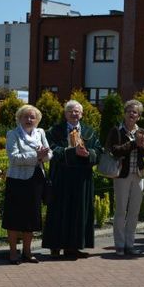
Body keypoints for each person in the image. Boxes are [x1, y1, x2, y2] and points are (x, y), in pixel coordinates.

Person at [42, 100, 102, 259]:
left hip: (82, 179)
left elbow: (98, 150)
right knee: (58, 212)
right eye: (70, 111)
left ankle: (74, 247)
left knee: (79, 212)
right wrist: (73, 152)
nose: (74, 114)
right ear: (65, 114)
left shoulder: (89, 131)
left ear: (81, 114)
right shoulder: (54, 131)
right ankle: (55, 246)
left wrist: (88, 154)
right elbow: (52, 150)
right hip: (61, 177)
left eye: (77, 111)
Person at [3, 104, 52, 264]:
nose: (29, 120)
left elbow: (49, 154)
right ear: (19, 118)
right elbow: (14, 157)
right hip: (17, 181)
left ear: (37, 120)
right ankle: (12, 252)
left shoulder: (40, 132)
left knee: (32, 217)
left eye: (32, 117)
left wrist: (42, 156)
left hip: (36, 180)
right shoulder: (13, 134)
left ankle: (27, 251)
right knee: (14, 217)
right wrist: (36, 155)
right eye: (26, 117)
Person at [105, 99, 144, 256]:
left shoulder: (142, 132)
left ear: (139, 116)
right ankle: (119, 245)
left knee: (134, 211)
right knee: (120, 211)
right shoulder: (116, 131)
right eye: (129, 111)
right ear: (124, 114)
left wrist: (141, 144)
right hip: (122, 176)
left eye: (135, 112)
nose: (132, 114)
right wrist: (133, 144)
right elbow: (115, 151)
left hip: (138, 175)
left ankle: (129, 244)